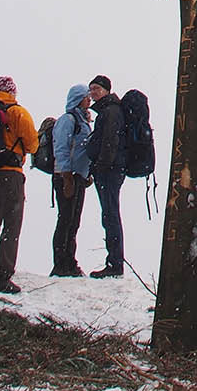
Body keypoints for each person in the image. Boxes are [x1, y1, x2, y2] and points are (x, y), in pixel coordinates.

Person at [0, 75, 38, 295]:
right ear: (12, 91)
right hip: (11, 175)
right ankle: (3, 277)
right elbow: (32, 144)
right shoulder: (18, 112)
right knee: (11, 225)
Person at [85, 75, 126, 278]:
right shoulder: (109, 110)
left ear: (107, 90)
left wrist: (100, 166)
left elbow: (110, 141)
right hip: (111, 169)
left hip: (109, 171)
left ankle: (115, 264)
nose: (93, 93)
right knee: (109, 214)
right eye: (91, 89)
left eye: (97, 89)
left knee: (110, 215)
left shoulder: (110, 111)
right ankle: (114, 262)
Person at [51, 85, 93, 277]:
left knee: (73, 221)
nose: (90, 100)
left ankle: (69, 261)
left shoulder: (82, 121)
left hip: (79, 177)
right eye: (86, 97)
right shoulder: (68, 120)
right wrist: (66, 176)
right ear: (78, 99)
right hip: (66, 176)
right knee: (66, 219)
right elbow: (61, 148)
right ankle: (61, 263)